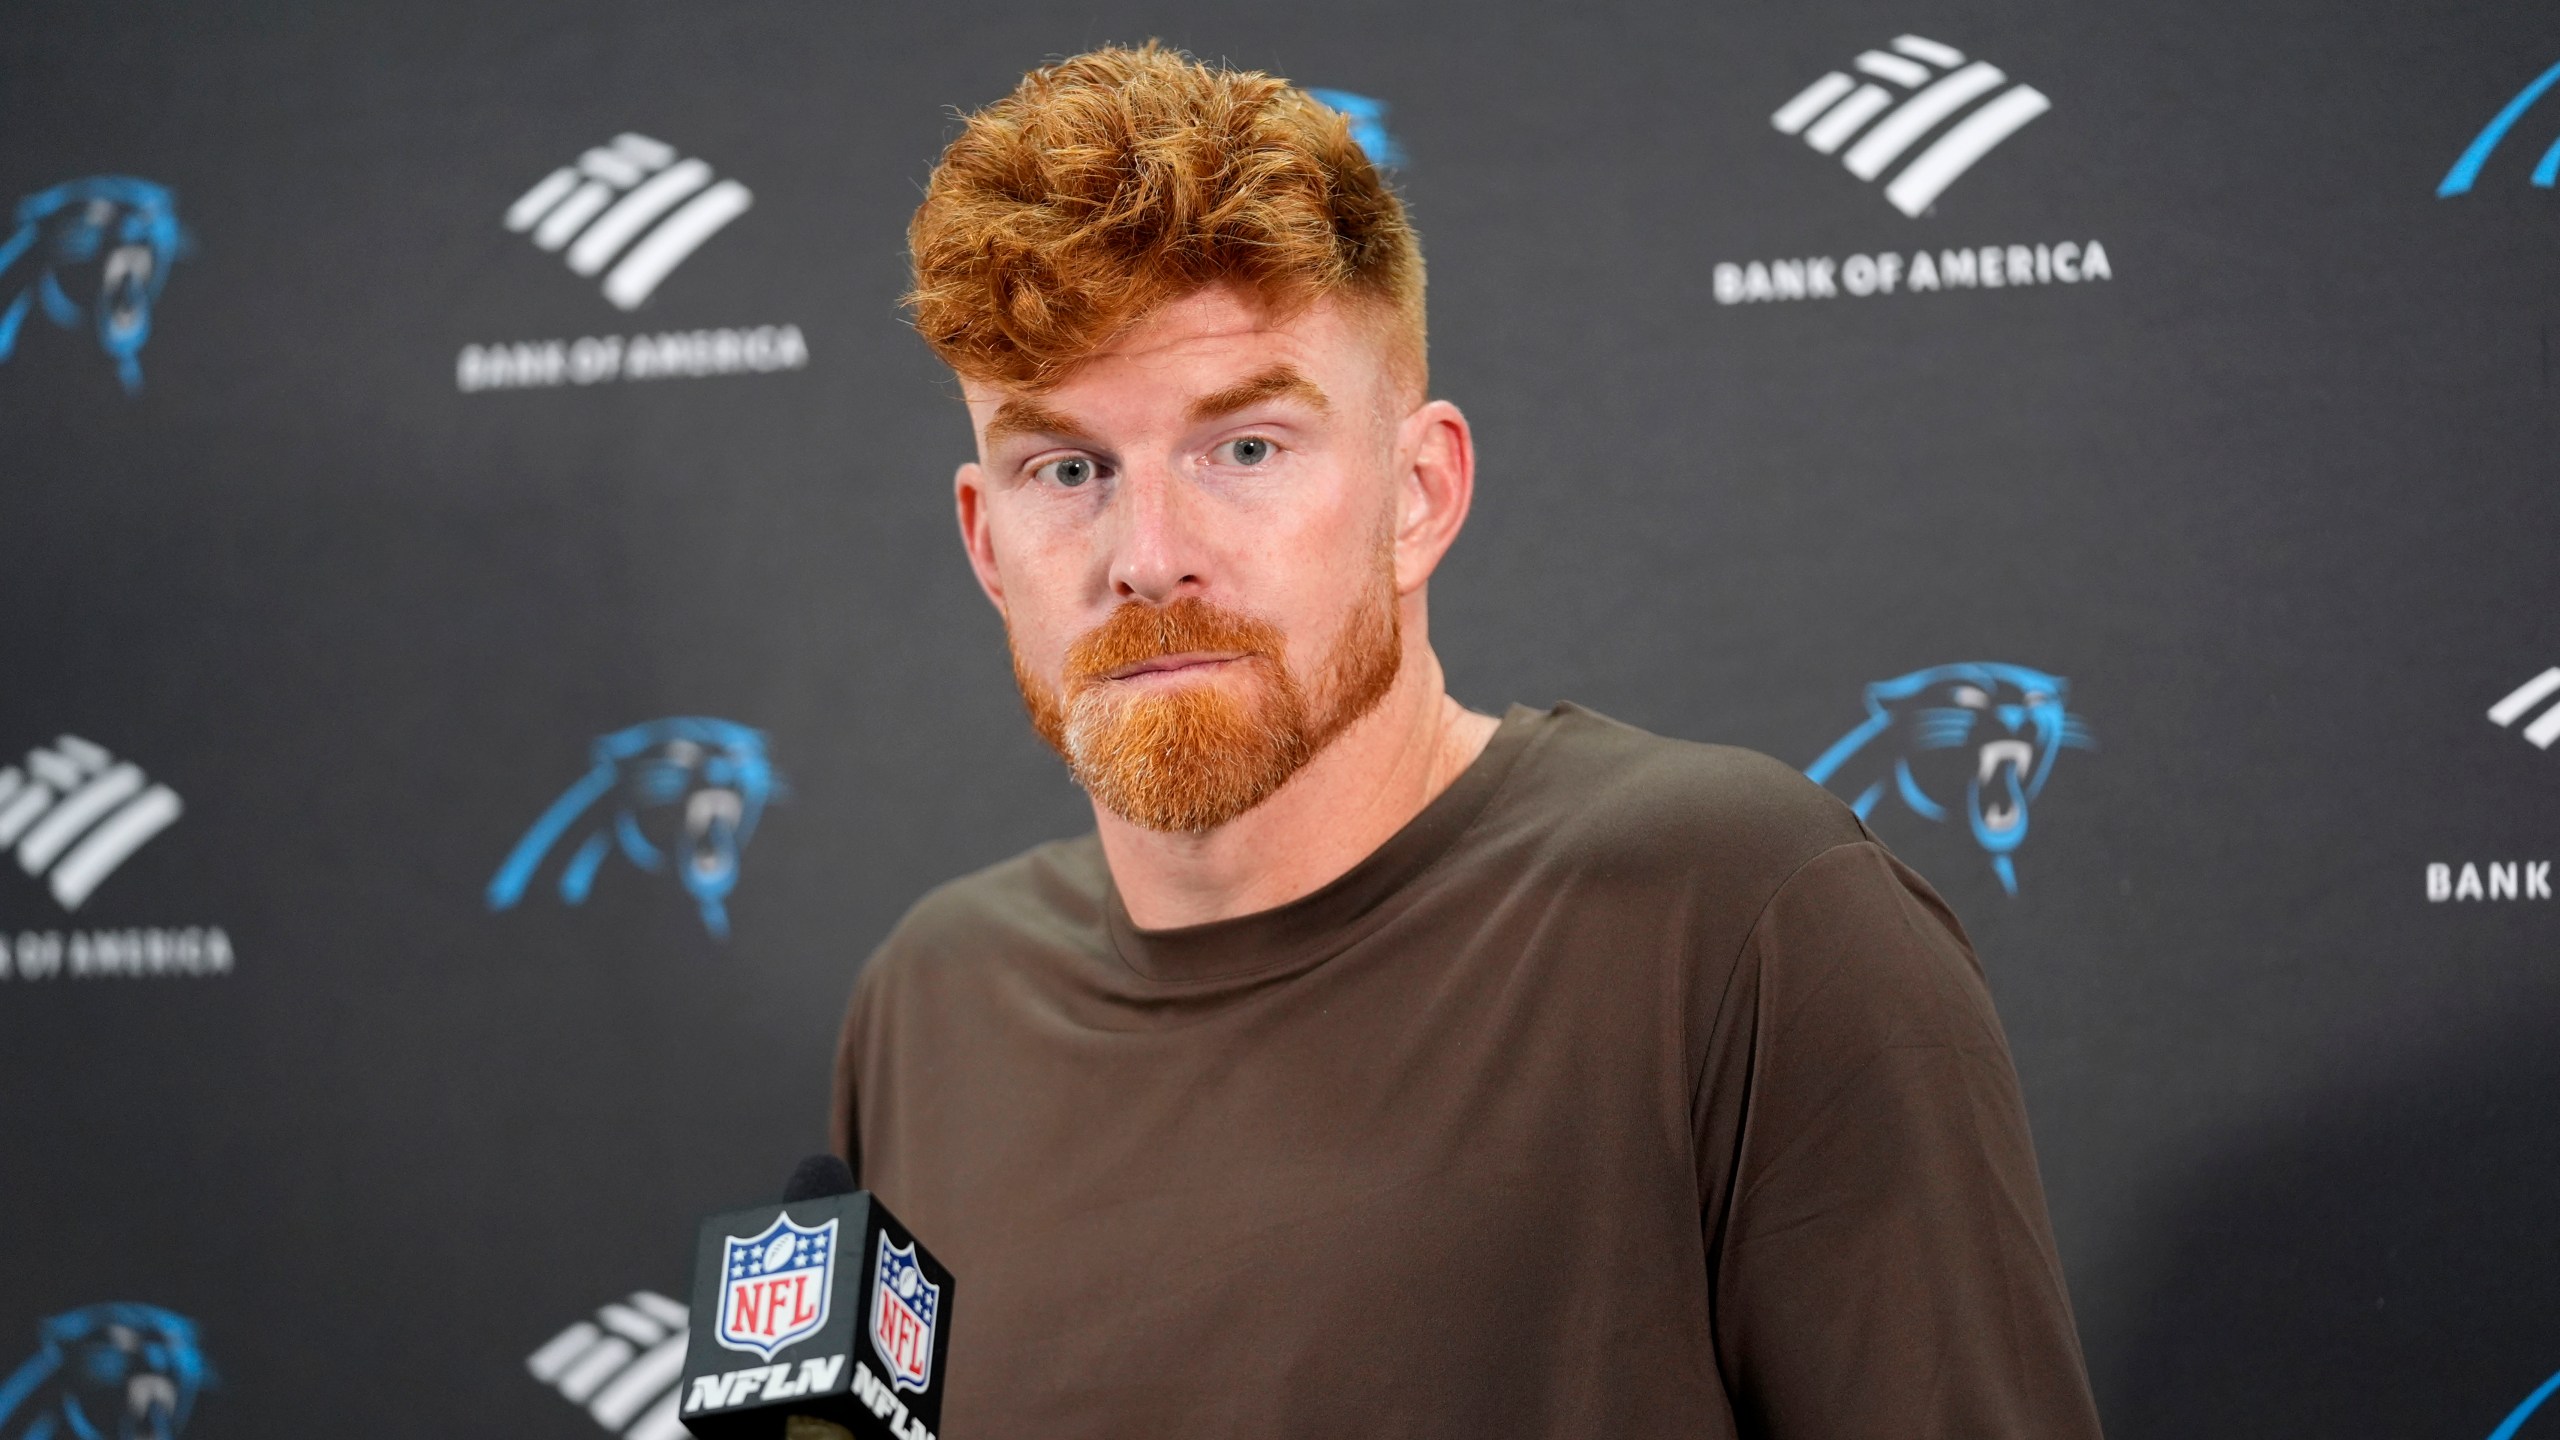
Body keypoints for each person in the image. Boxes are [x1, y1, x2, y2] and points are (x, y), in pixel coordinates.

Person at [833, 43, 2103, 1439]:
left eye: (1243, 449)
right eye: (1066, 469)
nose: (1147, 557)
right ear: (985, 543)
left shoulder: (1740, 918)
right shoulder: (928, 1002)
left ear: (1420, 493)